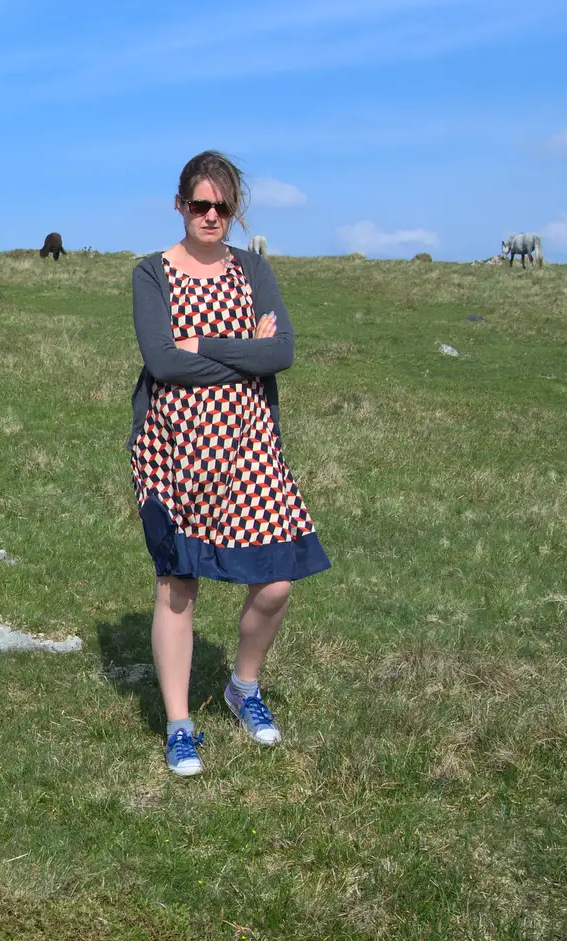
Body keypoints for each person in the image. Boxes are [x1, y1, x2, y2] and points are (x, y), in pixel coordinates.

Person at [128, 151, 330, 777]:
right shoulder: (151, 273)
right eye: (199, 205)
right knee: (177, 587)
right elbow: (162, 364)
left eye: (222, 206)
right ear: (180, 205)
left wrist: (204, 345)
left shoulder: (254, 270)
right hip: (173, 455)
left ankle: (243, 686)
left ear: (234, 210)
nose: (210, 215)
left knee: (274, 582)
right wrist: (248, 351)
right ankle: (180, 724)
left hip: (250, 448)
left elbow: (285, 352)